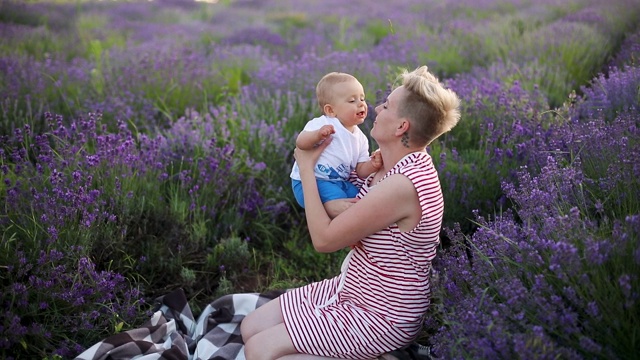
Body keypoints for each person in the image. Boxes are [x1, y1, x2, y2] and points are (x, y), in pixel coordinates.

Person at [241, 65, 461, 360]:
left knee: (259, 350)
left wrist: (306, 168)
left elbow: (324, 240)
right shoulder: (386, 164)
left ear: (401, 127)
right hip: (355, 286)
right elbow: (342, 188)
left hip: (383, 313)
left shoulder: (402, 185)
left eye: (387, 105)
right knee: (249, 327)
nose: (376, 108)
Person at [290, 72, 382, 218]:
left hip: (338, 181)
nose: (361, 104)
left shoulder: (361, 138)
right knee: (343, 204)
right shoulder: (323, 123)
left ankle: (357, 234)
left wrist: (373, 164)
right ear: (331, 110)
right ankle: (339, 228)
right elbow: (300, 143)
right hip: (312, 181)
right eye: (352, 101)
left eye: (362, 98)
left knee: (360, 197)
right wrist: (317, 135)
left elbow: (361, 171)